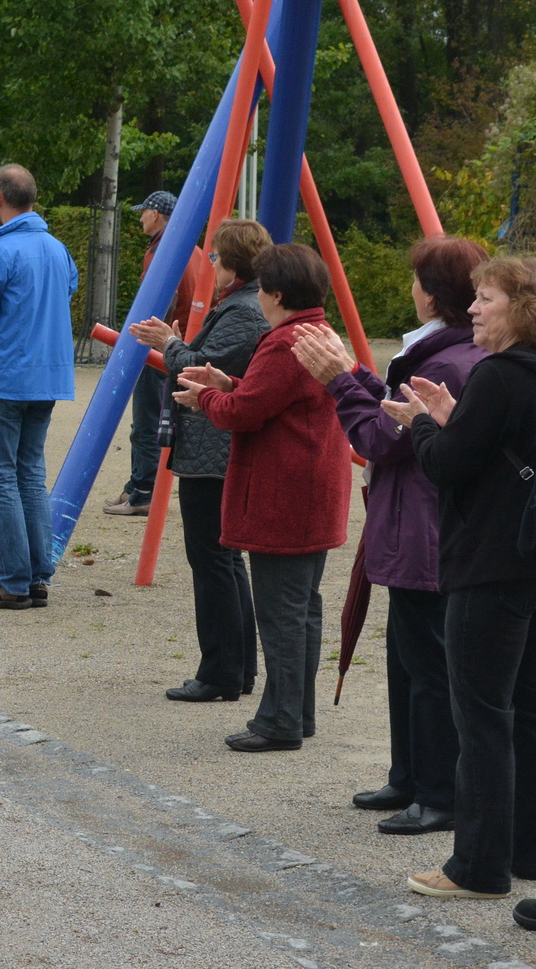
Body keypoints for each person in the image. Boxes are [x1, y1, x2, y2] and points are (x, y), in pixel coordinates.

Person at [293, 236, 489, 836]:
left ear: (432, 294)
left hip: (426, 529)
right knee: (407, 658)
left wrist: (338, 381)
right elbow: (386, 415)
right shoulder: (448, 352)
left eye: (416, 280)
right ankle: (409, 775)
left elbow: (379, 439)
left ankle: (437, 792)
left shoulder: (446, 362)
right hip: (416, 525)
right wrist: (353, 374)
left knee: (429, 666)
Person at [381, 258, 536, 921]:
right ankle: (523, 850)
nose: (474, 309)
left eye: (487, 298)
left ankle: (475, 865)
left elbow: (446, 466)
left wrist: (418, 423)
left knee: (481, 719)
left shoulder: (499, 376)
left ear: (519, 306)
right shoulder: (522, 374)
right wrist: (450, 415)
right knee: (522, 714)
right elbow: (486, 448)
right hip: (525, 560)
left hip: (485, 561)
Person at [172, 243, 352, 752]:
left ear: (275, 293)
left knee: (282, 613)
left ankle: (280, 721)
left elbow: (243, 413)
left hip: (284, 494)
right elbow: (271, 397)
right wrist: (227, 382)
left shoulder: (285, 340)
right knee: (303, 608)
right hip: (313, 490)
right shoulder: (318, 332)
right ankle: (297, 711)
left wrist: (209, 395)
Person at [129, 218, 272, 704]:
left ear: (235, 263)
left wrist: (166, 344)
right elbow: (205, 358)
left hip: (212, 448)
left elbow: (199, 367)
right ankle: (238, 669)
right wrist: (175, 343)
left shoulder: (243, 312)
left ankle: (220, 672)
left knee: (212, 560)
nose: (210, 263)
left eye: (216, 256)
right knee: (225, 560)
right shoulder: (242, 306)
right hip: (214, 445)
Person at [0, 165, 78, 609]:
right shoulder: (57, 248)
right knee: (30, 474)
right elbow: (67, 289)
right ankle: (36, 578)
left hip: (4, 377)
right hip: (47, 377)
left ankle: (12, 582)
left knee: (0, 479)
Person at [106, 190, 208, 515]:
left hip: (162, 347)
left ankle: (143, 491)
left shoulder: (162, 250)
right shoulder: (192, 248)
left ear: (156, 214)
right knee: (154, 417)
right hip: (187, 344)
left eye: (143, 211)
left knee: (147, 420)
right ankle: (136, 484)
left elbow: (165, 297)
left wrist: (151, 336)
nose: (140, 218)